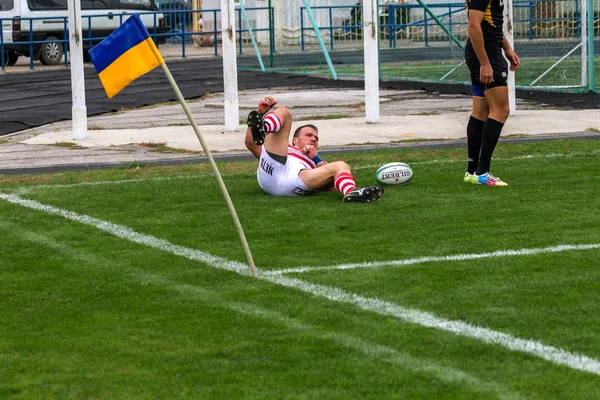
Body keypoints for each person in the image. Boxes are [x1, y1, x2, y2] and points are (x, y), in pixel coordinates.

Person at [244, 96, 384, 203]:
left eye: (316, 138)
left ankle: (353, 193)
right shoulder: (285, 147)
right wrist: (261, 113)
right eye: (308, 135)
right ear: (295, 140)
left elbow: (331, 188)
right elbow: (251, 144)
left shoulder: (317, 160)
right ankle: (264, 125)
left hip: (296, 182)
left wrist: (316, 159)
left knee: (341, 165)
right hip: (272, 172)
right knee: (284, 112)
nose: (314, 139)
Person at [464, 0, 520, 186]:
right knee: (501, 109)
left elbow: (492, 23)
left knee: (480, 111)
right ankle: (482, 172)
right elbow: (474, 25)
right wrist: (485, 63)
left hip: (484, 50)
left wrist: (508, 49)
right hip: (486, 53)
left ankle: (472, 171)